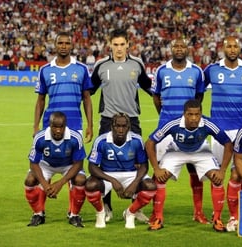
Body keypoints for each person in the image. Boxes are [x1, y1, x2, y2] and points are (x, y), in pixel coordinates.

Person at [90, 28, 152, 223]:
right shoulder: (101, 65)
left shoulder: (137, 64)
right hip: (108, 119)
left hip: (132, 120)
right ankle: (107, 207)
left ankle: (134, 208)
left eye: (122, 45)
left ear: (128, 45)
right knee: (103, 163)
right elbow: (89, 90)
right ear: (110, 45)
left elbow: (148, 87)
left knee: (137, 161)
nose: (118, 48)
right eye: (115, 45)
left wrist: (164, 101)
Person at [145, 99, 233, 232]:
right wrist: (156, 169)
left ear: (201, 114)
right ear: (184, 114)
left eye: (197, 114)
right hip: (177, 150)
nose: (194, 118)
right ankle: (158, 218)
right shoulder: (172, 124)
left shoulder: (208, 124)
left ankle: (217, 219)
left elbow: (228, 143)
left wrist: (222, 170)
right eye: (190, 114)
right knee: (160, 178)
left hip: (200, 151)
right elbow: (150, 142)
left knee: (217, 178)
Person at [151, 38, 207, 224]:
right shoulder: (161, 70)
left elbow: (199, 97)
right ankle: (156, 213)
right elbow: (156, 96)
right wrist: (166, 118)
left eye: (183, 46)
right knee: (160, 172)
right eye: (176, 46)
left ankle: (198, 212)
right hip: (166, 129)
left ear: (187, 49)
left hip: (191, 128)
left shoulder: (196, 71)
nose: (179, 49)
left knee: (195, 170)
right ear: (171, 48)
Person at [203, 36, 242, 231]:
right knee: (217, 174)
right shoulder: (212, 70)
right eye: (229, 46)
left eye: (235, 46)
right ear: (222, 48)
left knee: (239, 173)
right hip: (219, 130)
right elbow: (200, 91)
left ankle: (237, 214)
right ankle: (217, 215)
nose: (232, 49)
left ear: (240, 48)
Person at [85, 113, 157, 229]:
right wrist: (112, 180)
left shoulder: (136, 140)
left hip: (131, 173)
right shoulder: (101, 141)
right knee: (91, 185)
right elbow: (92, 167)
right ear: (111, 127)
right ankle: (101, 213)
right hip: (107, 174)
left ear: (128, 127)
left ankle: (131, 212)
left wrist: (135, 183)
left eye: (124, 126)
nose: (120, 130)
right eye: (117, 126)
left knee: (151, 187)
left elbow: (144, 165)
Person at [24, 112, 86, 227]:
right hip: (46, 164)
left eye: (61, 127)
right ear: (50, 125)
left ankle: (74, 215)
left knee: (81, 180)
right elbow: (33, 163)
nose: (58, 130)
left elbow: (78, 164)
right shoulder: (40, 137)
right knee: (30, 180)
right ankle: (38, 214)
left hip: (68, 165)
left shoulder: (75, 137)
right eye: (55, 127)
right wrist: (45, 185)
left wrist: (60, 183)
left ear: (65, 125)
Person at [33, 31, 93, 142]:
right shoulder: (45, 70)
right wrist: (35, 126)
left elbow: (87, 99)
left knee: (76, 159)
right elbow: (40, 101)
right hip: (50, 125)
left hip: (74, 125)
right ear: (55, 45)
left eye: (67, 43)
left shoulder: (82, 69)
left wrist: (90, 125)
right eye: (60, 43)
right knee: (48, 159)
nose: (63, 46)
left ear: (71, 45)